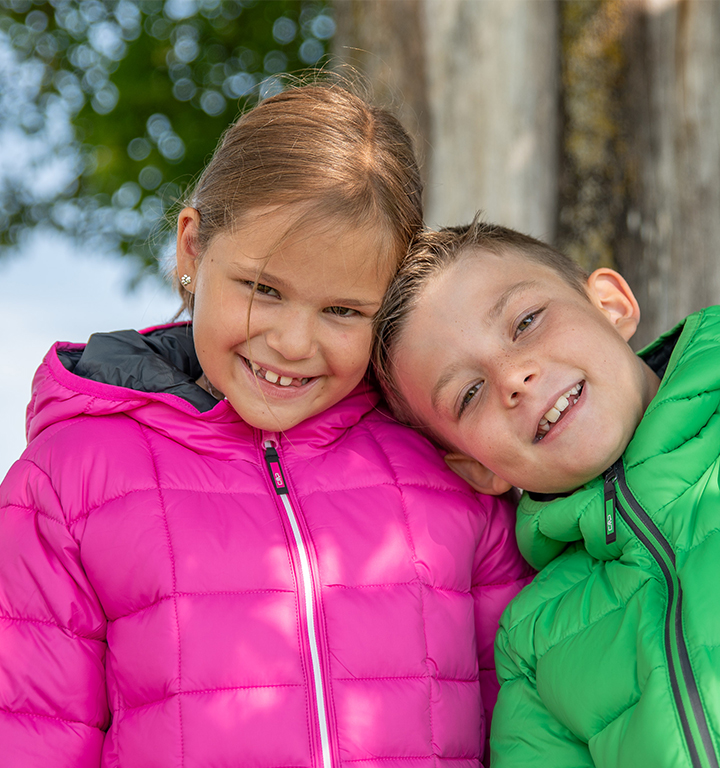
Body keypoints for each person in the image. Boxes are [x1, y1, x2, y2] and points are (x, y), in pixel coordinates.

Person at [0, 88, 533, 767]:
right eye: (263, 289)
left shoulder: (445, 463)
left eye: (342, 310)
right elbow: (30, 734)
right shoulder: (67, 483)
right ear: (192, 247)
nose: (291, 341)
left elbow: (525, 717)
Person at [372, 218, 720, 768]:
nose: (513, 377)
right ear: (477, 468)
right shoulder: (533, 643)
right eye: (469, 393)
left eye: (526, 321)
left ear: (610, 305)